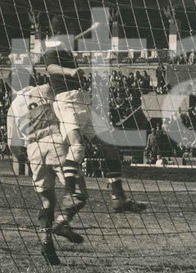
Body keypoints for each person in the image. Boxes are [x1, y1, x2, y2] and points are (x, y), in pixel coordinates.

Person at [42, 14, 145, 225]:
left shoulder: (63, 44)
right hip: (66, 102)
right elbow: (50, 68)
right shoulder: (52, 47)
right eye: (68, 30)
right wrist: (71, 71)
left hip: (81, 101)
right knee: (77, 148)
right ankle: (70, 193)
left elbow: (77, 38)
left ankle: (118, 197)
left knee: (109, 145)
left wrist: (92, 28)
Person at [8, 82, 87, 266]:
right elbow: (64, 106)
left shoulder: (12, 107)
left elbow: (12, 144)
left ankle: (46, 243)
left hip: (33, 149)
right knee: (78, 193)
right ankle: (62, 222)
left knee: (47, 201)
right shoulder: (44, 89)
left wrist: (22, 157)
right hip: (54, 140)